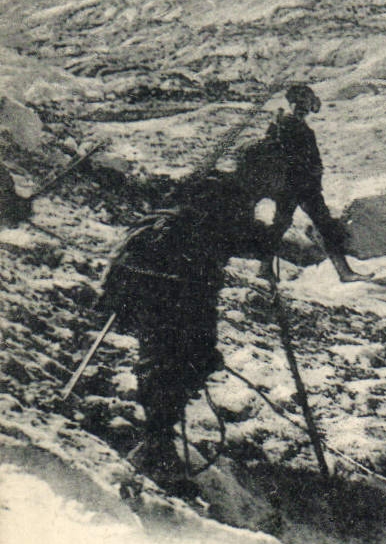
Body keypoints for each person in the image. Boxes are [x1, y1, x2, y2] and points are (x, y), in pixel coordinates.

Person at [101, 168, 279, 489]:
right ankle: (158, 444)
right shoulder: (213, 217)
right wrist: (268, 238)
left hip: (133, 282)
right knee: (179, 358)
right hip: (169, 286)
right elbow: (241, 243)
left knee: (164, 356)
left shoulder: (175, 212)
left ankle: (159, 435)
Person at [241, 84, 365, 282]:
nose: (304, 106)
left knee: (282, 225)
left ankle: (265, 268)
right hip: (301, 187)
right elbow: (295, 158)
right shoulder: (291, 126)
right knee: (323, 225)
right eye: (302, 102)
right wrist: (311, 172)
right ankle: (344, 272)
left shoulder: (284, 124)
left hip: (293, 187)